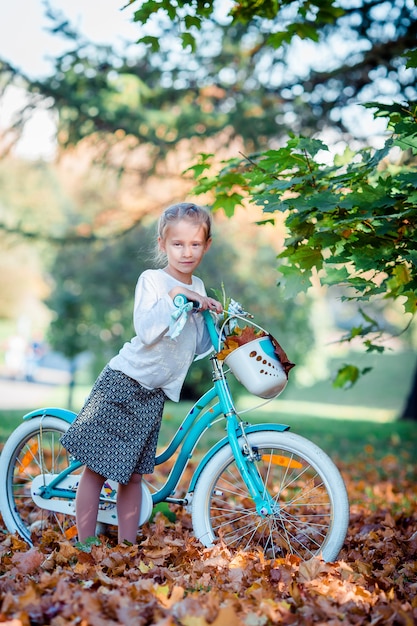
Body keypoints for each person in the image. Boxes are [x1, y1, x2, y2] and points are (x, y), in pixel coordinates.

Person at [61, 202, 223, 545]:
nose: (186, 252)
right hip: (124, 383)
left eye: (195, 244)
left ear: (207, 245)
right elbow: (149, 330)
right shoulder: (152, 280)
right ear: (162, 244)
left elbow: (194, 345)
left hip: (153, 393)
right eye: (178, 244)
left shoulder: (200, 284)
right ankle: (86, 544)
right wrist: (178, 295)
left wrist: (211, 317)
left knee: (133, 476)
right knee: (98, 467)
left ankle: (127, 545)